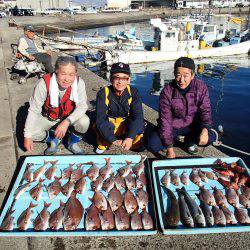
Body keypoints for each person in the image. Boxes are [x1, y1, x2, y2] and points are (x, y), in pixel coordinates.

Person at [147, 57, 216, 158]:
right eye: (178, 75)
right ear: (174, 74)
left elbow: (205, 111)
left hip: (193, 125)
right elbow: (165, 120)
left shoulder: (200, 87)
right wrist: (170, 148)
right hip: (173, 126)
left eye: (186, 75)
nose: (181, 80)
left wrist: (205, 129)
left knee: (210, 137)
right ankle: (170, 141)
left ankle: (189, 141)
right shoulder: (167, 91)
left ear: (192, 75)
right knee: (152, 145)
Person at [23, 56, 90, 155]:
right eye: (63, 74)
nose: (67, 79)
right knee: (30, 133)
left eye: (71, 74)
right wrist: (27, 137)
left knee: (84, 121)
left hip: (69, 117)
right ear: (56, 71)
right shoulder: (43, 84)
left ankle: (72, 142)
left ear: (76, 73)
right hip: (49, 117)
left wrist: (67, 122)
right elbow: (33, 110)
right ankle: (53, 139)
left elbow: (82, 106)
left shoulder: (79, 83)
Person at [95, 62, 144, 154]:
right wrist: (113, 140)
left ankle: (133, 143)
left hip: (124, 124)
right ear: (111, 79)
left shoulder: (133, 92)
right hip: (110, 124)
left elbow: (138, 116)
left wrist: (130, 137)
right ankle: (104, 143)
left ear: (129, 80)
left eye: (124, 78)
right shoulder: (103, 93)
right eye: (117, 77)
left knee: (140, 124)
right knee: (99, 126)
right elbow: (100, 119)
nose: (120, 82)